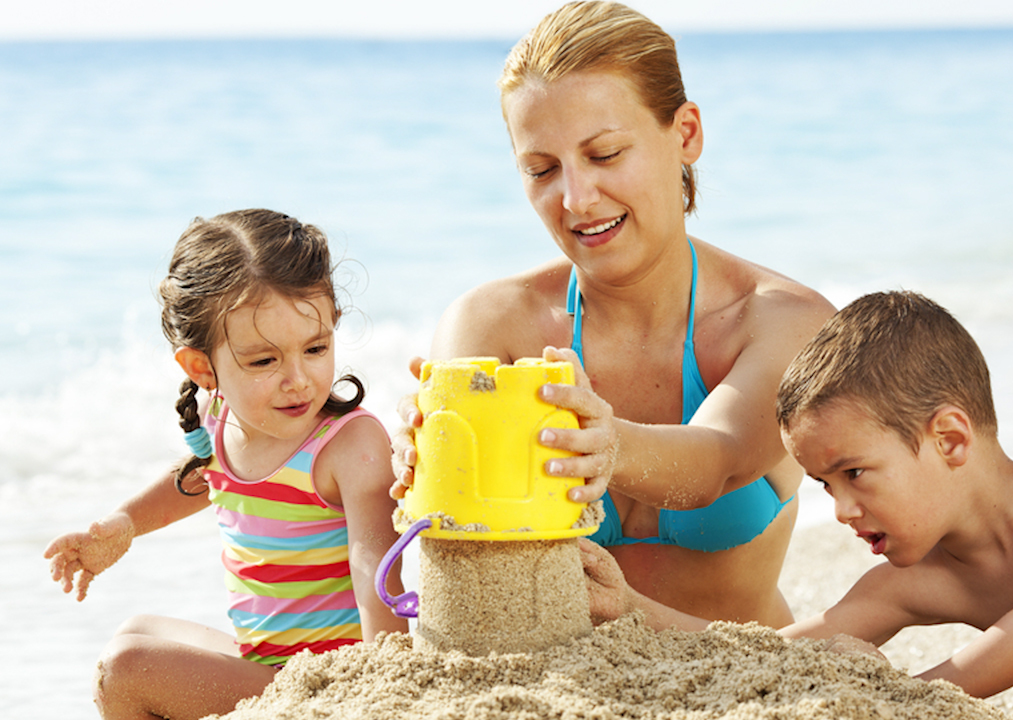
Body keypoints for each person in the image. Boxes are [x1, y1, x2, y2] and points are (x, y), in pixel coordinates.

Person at [582, 290, 1013, 719]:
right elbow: (796, 650)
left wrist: (900, 703)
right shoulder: (917, 578)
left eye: (856, 472)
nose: (843, 509)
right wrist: (634, 609)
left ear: (948, 438)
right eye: (826, 485)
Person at [392, 1, 834, 628]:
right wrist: (430, 472)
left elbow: (715, 464)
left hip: (744, 678)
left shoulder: (785, 323)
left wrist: (606, 445)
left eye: (604, 155)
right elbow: (463, 579)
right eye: (541, 169)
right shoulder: (492, 328)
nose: (574, 198)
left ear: (685, 134)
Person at [44, 209, 407, 720]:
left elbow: (374, 566)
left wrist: (389, 686)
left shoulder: (349, 445)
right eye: (264, 361)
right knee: (136, 631)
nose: (298, 379)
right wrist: (125, 524)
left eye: (315, 347)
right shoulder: (221, 416)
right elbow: (200, 478)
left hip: (330, 680)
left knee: (126, 667)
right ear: (202, 368)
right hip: (267, 665)